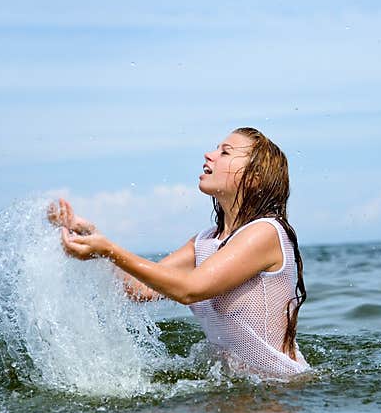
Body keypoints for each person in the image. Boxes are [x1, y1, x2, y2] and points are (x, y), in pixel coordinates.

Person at [48, 127, 309, 377]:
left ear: (253, 179)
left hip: (280, 390)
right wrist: (92, 237)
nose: (209, 155)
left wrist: (110, 249)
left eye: (225, 152)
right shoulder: (205, 241)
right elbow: (139, 289)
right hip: (239, 392)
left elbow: (190, 289)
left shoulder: (265, 233)